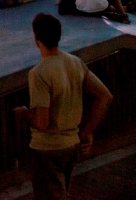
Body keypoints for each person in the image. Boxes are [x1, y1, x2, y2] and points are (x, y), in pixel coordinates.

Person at [13, 14, 113, 200]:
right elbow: (104, 96)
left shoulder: (39, 73)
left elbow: (42, 122)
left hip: (47, 148)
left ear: (36, 38)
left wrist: (25, 113)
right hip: (71, 145)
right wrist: (88, 131)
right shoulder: (76, 62)